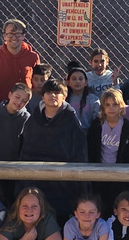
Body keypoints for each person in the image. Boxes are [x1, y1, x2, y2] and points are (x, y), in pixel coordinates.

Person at [18, 79, 88, 219]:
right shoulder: (33, 120)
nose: (53, 96)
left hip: (62, 180)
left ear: (64, 96)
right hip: (36, 178)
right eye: (49, 92)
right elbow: (25, 151)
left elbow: (79, 154)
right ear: (42, 96)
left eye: (57, 93)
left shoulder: (71, 121)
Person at [87, 88, 129, 211]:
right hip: (99, 174)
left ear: (121, 106)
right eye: (107, 105)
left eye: (115, 105)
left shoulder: (127, 128)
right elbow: (91, 150)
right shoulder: (97, 125)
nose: (111, 108)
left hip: (119, 175)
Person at [0, 18, 40, 111]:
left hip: (25, 109)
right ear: (4, 36)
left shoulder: (33, 57)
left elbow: (37, 84)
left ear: (24, 35)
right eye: (10, 34)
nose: (14, 37)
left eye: (18, 34)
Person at [0, 82, 31, 162]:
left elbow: (26, 145)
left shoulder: (26, 118)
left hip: (16, 165)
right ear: (10, 95)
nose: (19, 102)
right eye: (17, 97)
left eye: (24, 101)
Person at [65, 64, 100, 132]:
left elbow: (98, 121)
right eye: (74, 79)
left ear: (86, 82)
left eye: (80, 79)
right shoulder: (64, 99)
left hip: (89, 135)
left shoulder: (93, 100)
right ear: (68, 82)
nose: (77, 81)